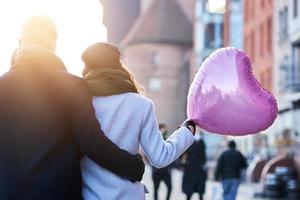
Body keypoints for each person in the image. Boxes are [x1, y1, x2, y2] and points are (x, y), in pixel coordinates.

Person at [0, 15, 144, 200]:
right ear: (54, 44)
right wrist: (134, 166)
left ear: (21, 42)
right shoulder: (73, 85)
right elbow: (93, 144)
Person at [80, 42, 196, 200]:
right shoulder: (141, 104)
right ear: (118, 66)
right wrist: (186, 132)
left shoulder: (80, 103)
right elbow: (160, 157)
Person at [182, 131, 207, 200]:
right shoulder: (189, 142)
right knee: (190, 191)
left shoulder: (201, 142)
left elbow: (204, 157)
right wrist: (183, 164)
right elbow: (184, 155)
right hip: (191, 169)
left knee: (199, 191)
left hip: (197, 169)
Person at [152, 123, 173, 200]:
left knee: (170, 187)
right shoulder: (155, 140)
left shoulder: (167, 139)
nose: (165, 131)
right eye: (164, 129)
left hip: (166, 170)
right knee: (156, 189)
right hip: (156, 171)